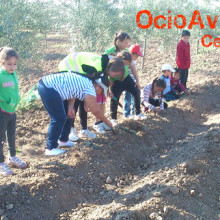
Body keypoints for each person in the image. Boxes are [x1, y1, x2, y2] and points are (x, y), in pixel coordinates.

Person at [37, 71, 114, 156]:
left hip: (51, 86)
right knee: (59, 118)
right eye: (101, 92)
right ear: (98, 87)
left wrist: (70, 106)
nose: (100, 94)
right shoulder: (89, 87)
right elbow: (96, 111)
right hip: (47, 87)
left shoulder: (87, 82)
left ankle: (63, 140)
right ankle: (50, 148)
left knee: (69, 113)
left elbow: (72, 90)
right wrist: (107, 122)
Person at [58, 52, 125, 138]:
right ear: (111, 70)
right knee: (74, 101)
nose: (115, 77)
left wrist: (87, 102)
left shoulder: (106, 65)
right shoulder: (97, 68)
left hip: (80, 71)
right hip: (69, 66)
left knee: (83, 100)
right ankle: (70, 130)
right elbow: (88, 88)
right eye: (116, 75)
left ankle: (84, 130)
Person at [105, 33, 146, 126]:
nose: (126, 45)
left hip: (126, 77)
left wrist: (137, 80)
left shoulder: (127, 51)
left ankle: (138, 113)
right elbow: (104, 67)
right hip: (115, 80)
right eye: (125, 43)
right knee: (115, 98)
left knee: (136, 91)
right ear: (118, 41)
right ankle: (113, 119)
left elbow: (131, 65)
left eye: (128, 43)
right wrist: (108, 79)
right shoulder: (109, 52)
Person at [0, 47, 27, 175]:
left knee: (11, 135)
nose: (12, 67)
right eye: (9, 64)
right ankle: (1, 162)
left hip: (12, 111)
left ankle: (12, 157)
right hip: (2, 111)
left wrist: (16, 99)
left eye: (14, 64)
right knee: (1, 138)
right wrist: (4, 100)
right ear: (2, 62)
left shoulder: (14, 74)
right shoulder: (0, 75)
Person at [123, 44, 143, 119]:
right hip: (127, 82)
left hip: (133, 82)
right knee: (127, 97)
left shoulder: (133, 61)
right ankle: (126, 113)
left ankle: (134, 112)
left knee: (134, 96)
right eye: (136, 55)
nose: (137, 57)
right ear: (132, 53)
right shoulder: (127, 61)